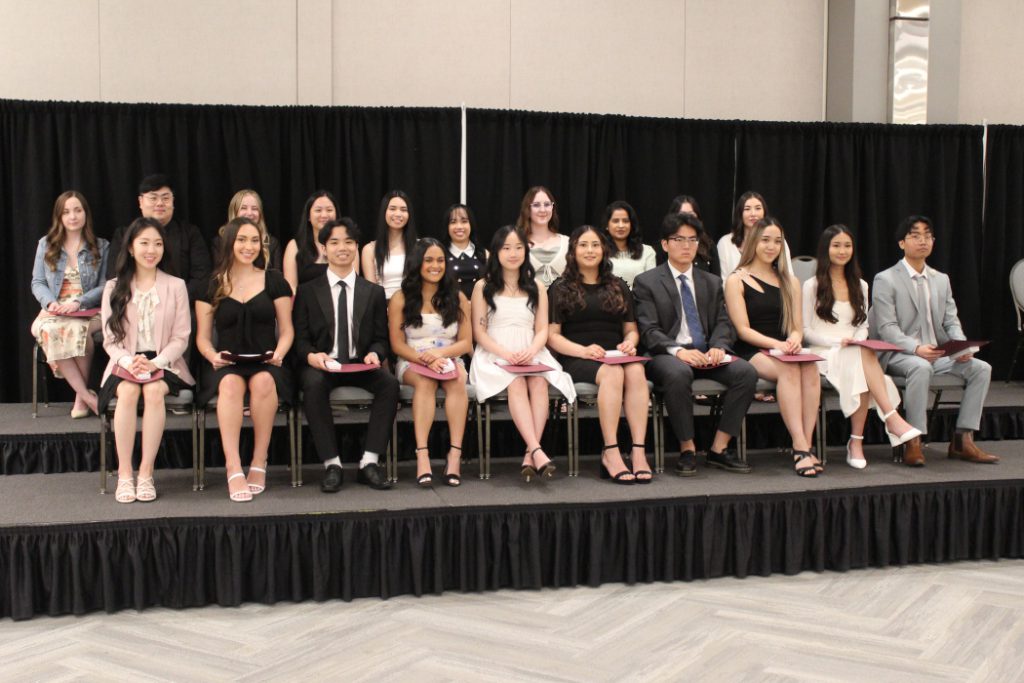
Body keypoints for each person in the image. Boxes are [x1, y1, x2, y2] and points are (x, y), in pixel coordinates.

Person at [634, 213, 757, 476]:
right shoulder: (647, 282)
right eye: (679, 239)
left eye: (692, 239)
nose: (687, 245)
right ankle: (687, 448)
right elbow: (649, 330)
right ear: (665, 244)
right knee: (679, 373)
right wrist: (678, 351)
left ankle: (719, 449)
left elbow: (725, 323)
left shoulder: (711, 282)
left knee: (746, 372)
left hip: (707, 353)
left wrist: (719, 347)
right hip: (667, 354)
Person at [869, 215, 997, 467]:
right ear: (902, 243)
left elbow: (951, 321)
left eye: (927, 236)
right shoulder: (886, 279)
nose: (923, 241)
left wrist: (962, 346)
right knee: (920, 366)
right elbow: (887, 328)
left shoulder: (941, 279)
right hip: (900, 354)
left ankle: (963, 439)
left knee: (981, 368)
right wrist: (915, 348)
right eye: (915, 236)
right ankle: (913, 439)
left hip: (936, 353)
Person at [802, 225, 921, 469]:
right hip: (822, 351)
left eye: (847, 245)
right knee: (863, 359)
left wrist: (854, 339)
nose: (842, 251)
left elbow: (863, 326)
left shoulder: (862, 285)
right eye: (836, 245)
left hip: (854, 349)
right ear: (826, 249)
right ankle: (885, 422)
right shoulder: (811, 285)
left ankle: (859, 439)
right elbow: (805, 331)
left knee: (861, 354)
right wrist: (838, 342)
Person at [293, 218, 397, 492]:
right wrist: (312, 357)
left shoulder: (373, 291)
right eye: (335, 242)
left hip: (360, 364)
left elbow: (380, 339)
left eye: (349, 242)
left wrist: (376, 353)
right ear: (324, 248)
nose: (343, 248)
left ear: (356, 247)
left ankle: (369, 462)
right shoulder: (307, 291)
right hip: (323, 364)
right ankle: (332, 464)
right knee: (313, 384)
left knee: (389, 383)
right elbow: (300, 340)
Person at [195, 217, 294, 501]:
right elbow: (202, 337)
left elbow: (286, 331)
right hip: (226, 363)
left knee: (263, 383)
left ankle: (259, 461)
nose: (249, 246)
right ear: (230, 243)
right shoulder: (211, 283)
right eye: (242, 240)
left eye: (255, 240)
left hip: (266, 362)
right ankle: (233, 465)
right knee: (230, 386)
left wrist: (280, 353)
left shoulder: (274, 280)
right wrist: (211, 356)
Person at [99, 218, 195, 503]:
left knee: (153, 392)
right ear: (130, 247)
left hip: (165, 362)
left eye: (157, 243)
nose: (151, 249)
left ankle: (146, 472)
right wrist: (130, 362)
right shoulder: (113, 287)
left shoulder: (176, 286)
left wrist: (156, 362)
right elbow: (109, 340)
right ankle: (125, 472)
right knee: (128, 392)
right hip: (124, 361)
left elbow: (181, 337)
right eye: (144, 243)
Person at [470, 226, 576, 480]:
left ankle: (531, 452)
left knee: (538, 381)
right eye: (506, 248)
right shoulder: (482, 286)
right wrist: (505, 354)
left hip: (531, 350)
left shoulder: (537, 286)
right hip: (494, 353)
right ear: (496, 252)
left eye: (518, 247)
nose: (513, 253)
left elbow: (541, 329)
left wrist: (531, 350)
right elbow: (479, 333)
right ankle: (537, 449)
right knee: (516, 382)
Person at [548, 225, 651, 483]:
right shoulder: (560, 287)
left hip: (615, 354)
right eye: (583, 245)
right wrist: (583, 351)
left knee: (636, 370)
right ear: (572, 251)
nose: (590, 250)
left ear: (604, 250)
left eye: (595, 245)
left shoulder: (618, 285)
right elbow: (552, 337)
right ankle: (611, 451)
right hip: (577, 357)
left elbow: (631, 330)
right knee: (613, 373)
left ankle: (638, 451)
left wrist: (629, 343)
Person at [724, 218, 820, 476]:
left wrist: (796, 339)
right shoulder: (736, 279)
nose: (771, 246)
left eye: (777, 241)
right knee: (789, 371)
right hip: (751, 349)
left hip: (784, 348)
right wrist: (777, 344)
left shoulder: (790, 281)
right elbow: (742, 330)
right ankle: (800, 448)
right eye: (765, 240)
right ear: (754, 241)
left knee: (810, 369)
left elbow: (797, 326)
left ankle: (806, 444)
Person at [389, 238, 472, 487]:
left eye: (440, 260)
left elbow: (466, 343)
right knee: (425, 382)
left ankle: (454, 455)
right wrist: (424, 359)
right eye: (429, 260)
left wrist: (441, 355)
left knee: (457, 381)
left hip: (448, 358)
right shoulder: (400, 298)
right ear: (417, 264)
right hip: (413, 361)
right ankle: (422, 454)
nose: (435, 266)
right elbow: (397, 344)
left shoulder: (458, 297)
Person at [30, 191, 109, 418]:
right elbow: (38, 282)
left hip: (88, 310)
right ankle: (86, 397)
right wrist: (50, 303)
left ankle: (80, 400)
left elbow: (106, 285)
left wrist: (78, 302)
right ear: (59, 217)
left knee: (78, 330)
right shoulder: (46, 245)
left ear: (85, 213)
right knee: (51, 329)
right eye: (66, 212)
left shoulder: (101, 246)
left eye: (77, 210)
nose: (72, 216)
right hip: (55, 310)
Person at [111, 174, 211, 302]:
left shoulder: (190, 233)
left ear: (173, 201)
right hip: (134, 304)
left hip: (181, 304)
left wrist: (171, 299)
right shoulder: (123, 235)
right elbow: (115, 276)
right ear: (140, 202)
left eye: (165, 198)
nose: (159, 203)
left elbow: (202, 279)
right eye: (153, 198)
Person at [717, 191, 792, 279]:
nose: (753, 214)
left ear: (764, 212)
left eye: (758, 208)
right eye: (747, 209)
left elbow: (788, 276)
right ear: (740, 213)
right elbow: (723, 281)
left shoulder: (778, 240)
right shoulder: (725, 242)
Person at [362, 190, 417, 299]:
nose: (398, 214)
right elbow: (371, 291)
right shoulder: (369, 249)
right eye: (392, 209)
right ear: (384, 212)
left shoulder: (419, 246)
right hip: (383, 308)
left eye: (403, 210)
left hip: (413, 306)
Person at [212, 189, 283, 271]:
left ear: (260, 214)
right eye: (244, 208)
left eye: (254, 208)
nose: (249, 213)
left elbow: (277, 279)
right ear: (234, 211)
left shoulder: (271, 243)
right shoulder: (220, 242)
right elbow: (218, 276)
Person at [515, 186, 569, 288]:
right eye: (536, 205)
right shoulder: (517, 243)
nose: (542, 209)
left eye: (547, 204)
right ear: (527, 209)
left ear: (553, 208)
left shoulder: (568, 243)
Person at [601, 200, 656, 288]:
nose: (621, 225)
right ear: (607, 225)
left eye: (625, 221)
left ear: (631, 225)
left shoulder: (647, 252)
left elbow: (651, 286)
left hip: (639, 300)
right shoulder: (599, 251)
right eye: (615, 221)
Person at [442, 203, 488, 298]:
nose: (459, 226)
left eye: (464, 221)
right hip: (450, 309)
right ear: (447, 226)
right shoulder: (440, 253)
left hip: (481, 309)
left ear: (471, 224)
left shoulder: (485, 254)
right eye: (453, 222)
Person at [667, 194, 718, 275]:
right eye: (682, 215)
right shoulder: (666, 244)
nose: (687, 219)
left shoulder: (708, 245)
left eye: (691, 215)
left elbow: (716, 280)